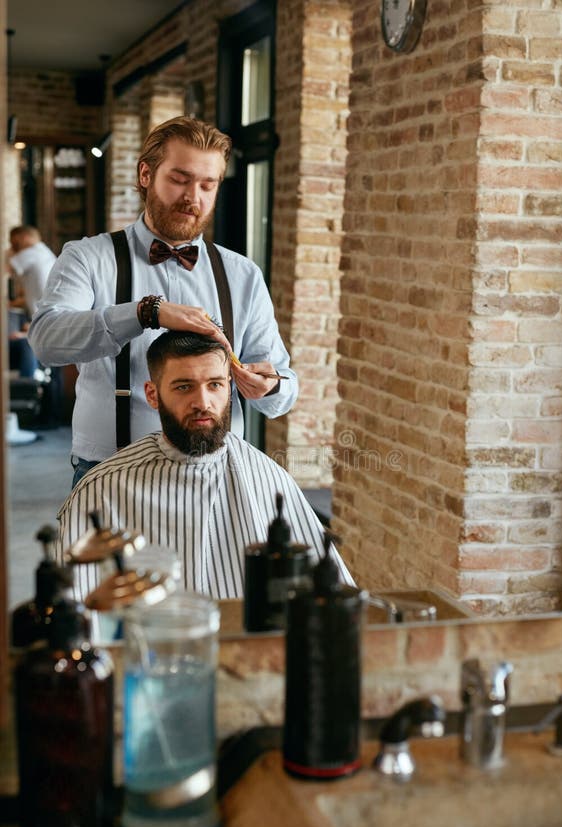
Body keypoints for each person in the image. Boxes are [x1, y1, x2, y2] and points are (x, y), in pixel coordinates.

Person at [28, 116, 298, 486]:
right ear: (145, 175)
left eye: (207, 185)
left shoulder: (242, 274)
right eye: (179, 180)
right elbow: (46, 342)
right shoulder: (87, 257)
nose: (193, 198)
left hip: (217, 477)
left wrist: (271, 385)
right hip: (111, 474)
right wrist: (143, 313)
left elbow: (283, 390)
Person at [57, 331, 349, 601]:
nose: (203, 402)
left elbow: (327, 593)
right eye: (184, 387)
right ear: (152, 395)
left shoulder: (267, 476)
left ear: (229, 388)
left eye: (215, 385)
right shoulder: (104, 488)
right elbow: (77, 606)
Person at [7, 225, 57, 320]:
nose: (13, 247)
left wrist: (8, 253)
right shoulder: (45, 253)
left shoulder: (34, 251)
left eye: (14, 243)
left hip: (44, 319)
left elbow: (6, 269)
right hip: (45, 318)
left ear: (25, 237)